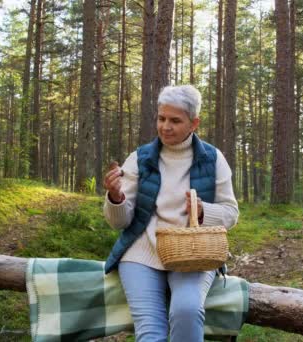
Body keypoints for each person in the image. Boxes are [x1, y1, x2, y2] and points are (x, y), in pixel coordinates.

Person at [102, 85, 238, 342]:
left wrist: (202, 211)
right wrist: (116, 198)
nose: (165, 126)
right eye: (161, 118)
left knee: (186, 310)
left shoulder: (213, 158)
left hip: (193, 254)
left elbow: (231, 213)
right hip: (142, 254)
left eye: (175, 120)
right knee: (151, 332)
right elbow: (118, 222)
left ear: (194, 123)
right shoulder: (140, 158)